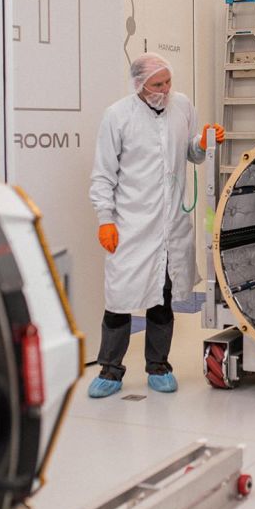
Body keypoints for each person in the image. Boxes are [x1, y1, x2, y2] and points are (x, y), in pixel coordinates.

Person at [87, 53, 224, 398]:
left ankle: (158, 365)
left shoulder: (182, 106)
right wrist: (106, 220)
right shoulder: (118, 116)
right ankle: (111, 369)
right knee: (119, 299)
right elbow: (103, 175)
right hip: (131, 223)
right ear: (139, 84)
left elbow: (190, 153)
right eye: (156, 84)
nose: (164, 90)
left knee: (163, 297)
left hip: (171, 223)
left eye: (167, 82)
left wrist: (204, 143)